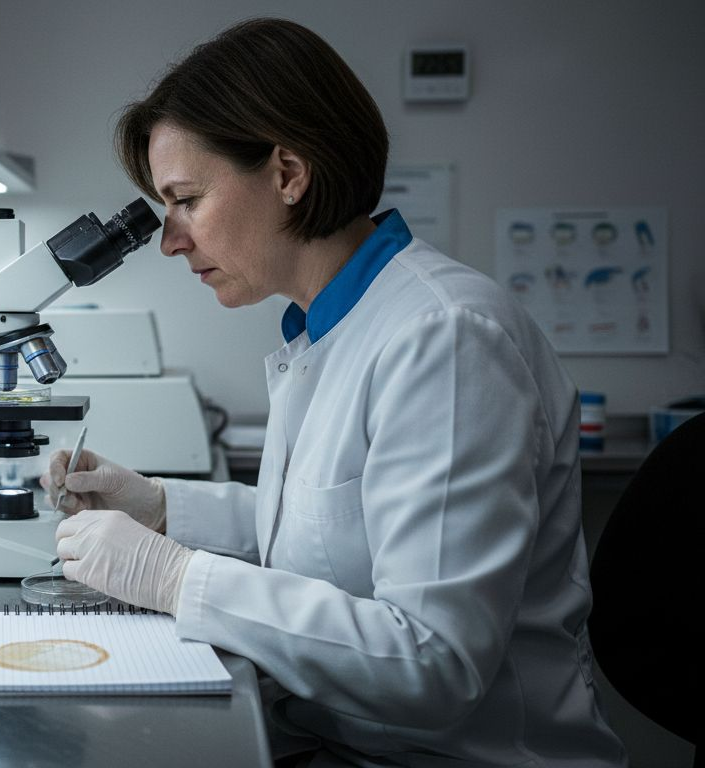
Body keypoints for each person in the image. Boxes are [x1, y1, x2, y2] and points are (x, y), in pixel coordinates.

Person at [42, 18, 627, 767]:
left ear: (288, 172)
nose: (170, 240)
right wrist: (160, 506)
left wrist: (174, 575)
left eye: (186, 199)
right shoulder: (325, 327)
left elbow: (434, 662)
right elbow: (327, 538)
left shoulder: (445, 339)